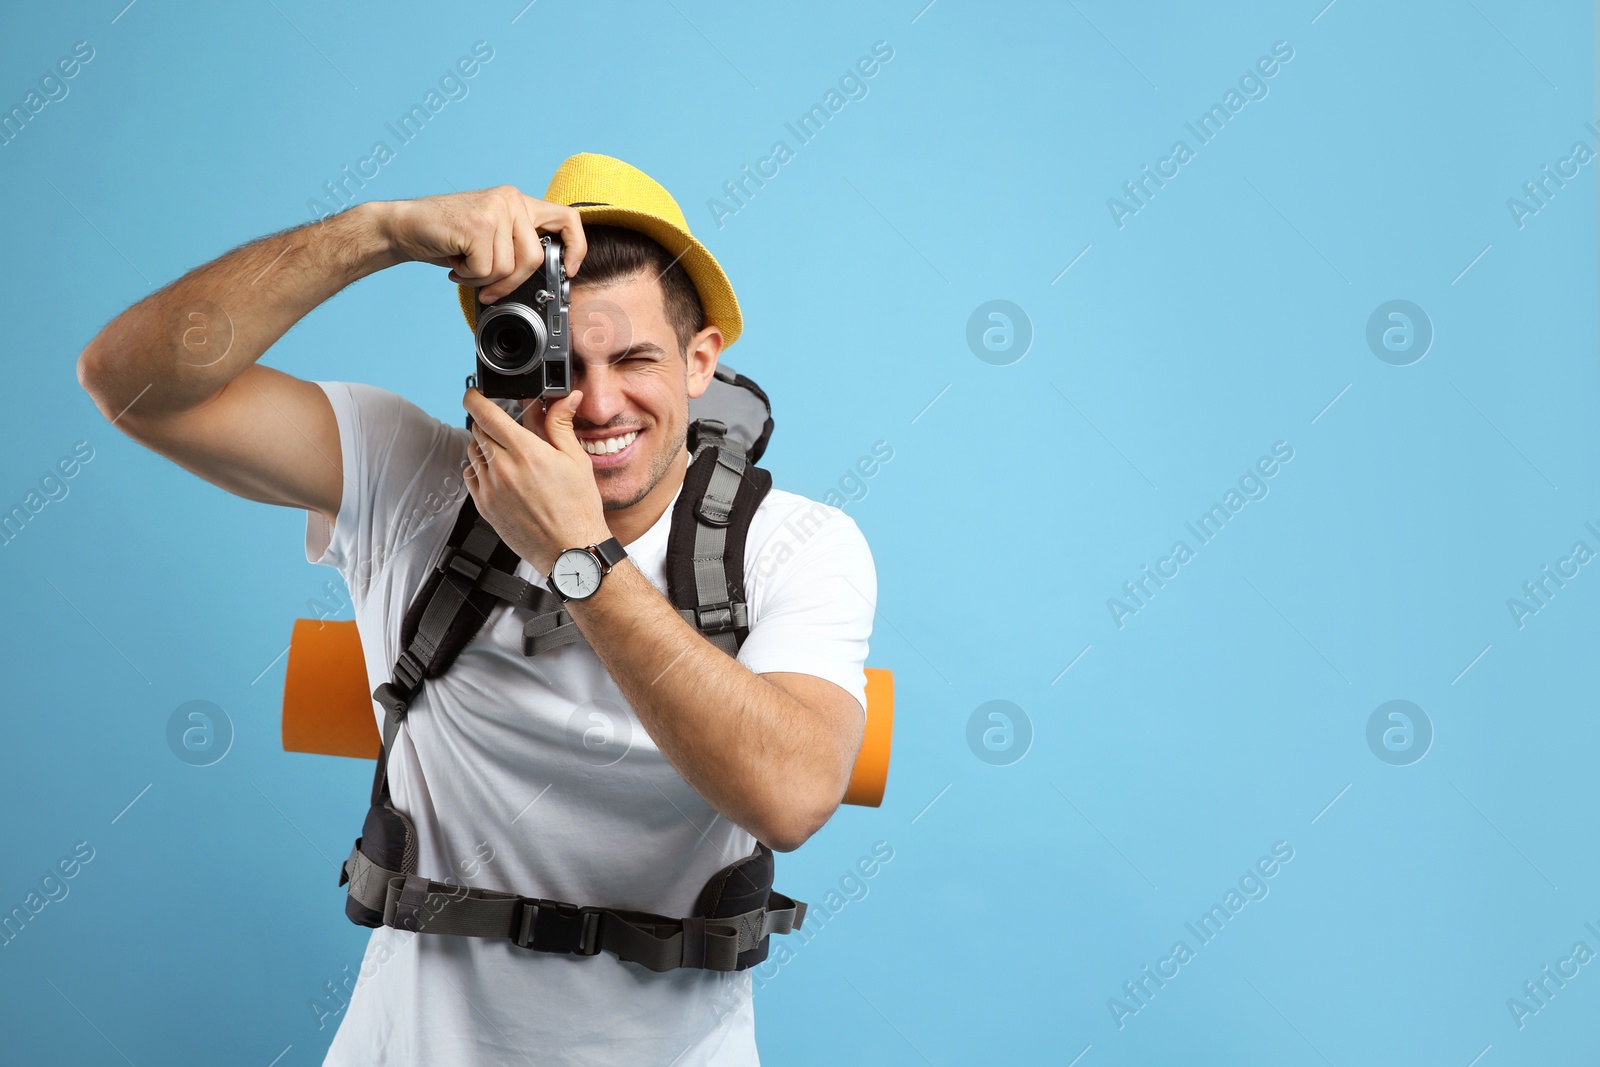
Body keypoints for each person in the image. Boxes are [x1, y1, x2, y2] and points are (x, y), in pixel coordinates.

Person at [76, 153, 877, 1065]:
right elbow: (127, 378)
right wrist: (377, 231)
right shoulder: (407, 477)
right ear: (504, 354)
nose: (598, 402)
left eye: (636, 358)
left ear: (701, 361)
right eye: (562, 361)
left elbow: (792, 796)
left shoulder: (795, 544)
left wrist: (577, 555)